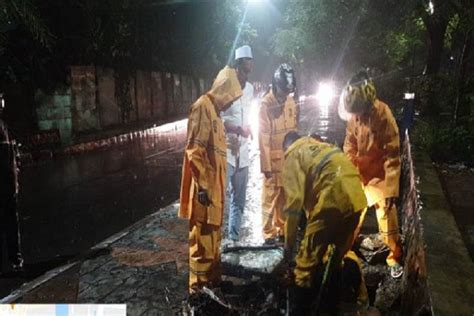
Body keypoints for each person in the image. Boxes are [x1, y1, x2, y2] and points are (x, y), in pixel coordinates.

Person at [281, 132, 368, 315]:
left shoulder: (292, 156)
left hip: (333, 199)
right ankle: (330, 308)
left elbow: (294, 206)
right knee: (335, 260)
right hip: (357, 198)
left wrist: (288, 247)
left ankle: (299, 311)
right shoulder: (320, 147)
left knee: (304, 264)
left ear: (286, 148)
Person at [179, 66, 243, 293]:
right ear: (223, 90)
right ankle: (198, 291)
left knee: (213, 245)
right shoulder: (202, 108)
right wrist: (204, 187)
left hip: (215, 193)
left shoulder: (215, 113)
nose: (231, 103)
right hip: (205, 194)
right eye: (231, 97)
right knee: (203, 246)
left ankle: (212, 283)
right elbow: (194, 151)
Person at [341, 70, 404, 279]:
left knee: (387, 214)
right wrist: (349, 172)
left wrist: (391, 187)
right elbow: (349, 144)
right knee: (351, 215)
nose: (357, 116)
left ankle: (394, 257)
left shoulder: (383, 114)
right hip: (358, 172)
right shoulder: (353, 116)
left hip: (380, 174)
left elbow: (393, 153)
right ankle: (343, 253)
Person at [258, 63, 298, 244]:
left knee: (285, 198)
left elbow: (294, 128)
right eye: (283, 91)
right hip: (273, 160)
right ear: (276, 86)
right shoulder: (266, 104)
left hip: (288, 159)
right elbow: (263, 136)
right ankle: (268, 233)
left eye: (288, 92)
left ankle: (282, 228)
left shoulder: (290, 100)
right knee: (269, 199)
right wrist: (266, 166)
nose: (285, 95)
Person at [221, 45, 254, 244]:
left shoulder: (249, 89)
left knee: (239, 200)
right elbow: (219, 119)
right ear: (240, 64)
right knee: (219, 199)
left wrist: (247, 129)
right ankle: (214, 239)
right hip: (226, 152)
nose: (251, 63)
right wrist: (238, 129)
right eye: (248, 60)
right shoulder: (226, 87)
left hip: (243, 152)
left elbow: (247, 116)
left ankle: (233, 240)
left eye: (252, 59)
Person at [0, 93, 24, 274]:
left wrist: (15, 179)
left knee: (11, 222)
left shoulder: (4, 126)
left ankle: (15, 258)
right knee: (9, 222)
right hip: (6, 184)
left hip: (8, 185)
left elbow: (12, 158)